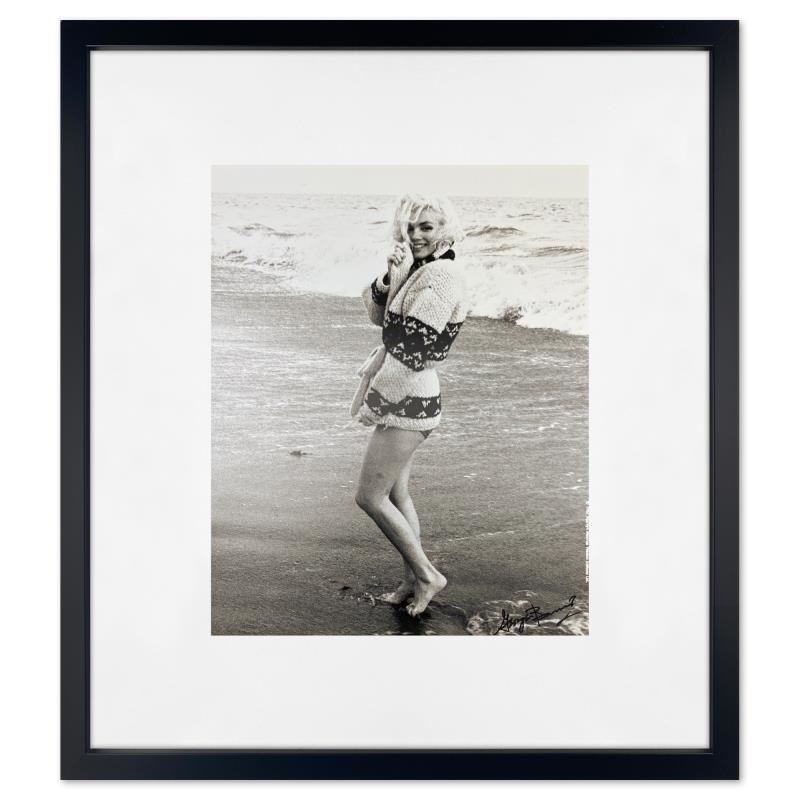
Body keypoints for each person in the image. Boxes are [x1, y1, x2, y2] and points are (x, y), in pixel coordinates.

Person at [352, 193, 468, 617]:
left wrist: (376, 403)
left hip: (408, 395)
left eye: (427, 227)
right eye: (411, 226)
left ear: (445, 230)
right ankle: (410, 580)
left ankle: (427, 574)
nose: (416, 235)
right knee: (397, 494)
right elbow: (380, 319)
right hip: (411, 393)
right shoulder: (422, 269)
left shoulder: (441, 277)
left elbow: (411, 353)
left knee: (369, 497)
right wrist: (391, 277)